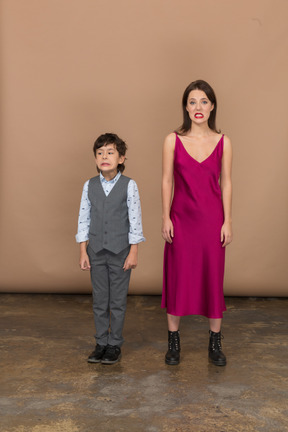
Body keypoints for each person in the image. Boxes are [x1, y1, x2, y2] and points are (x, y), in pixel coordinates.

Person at [161, 80, 232, 366]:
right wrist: (164, 216)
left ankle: (214, 343)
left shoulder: (224, 141)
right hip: (181, 218)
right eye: (192, 101)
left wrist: (228, 220)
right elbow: (167, 180)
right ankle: (173, 342)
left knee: (213, 277)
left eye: (204, 101)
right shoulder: (172, 140)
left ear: (212, 106)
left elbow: (226, 183)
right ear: (185, 107)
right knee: (178, 277)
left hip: (212, 220)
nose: (198, 107)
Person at [76, 133, 145, 365]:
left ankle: (114, 344)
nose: (104, 157)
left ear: (121, 158)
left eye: (110, 152)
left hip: (120, 252)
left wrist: (133, 251)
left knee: (117, 301)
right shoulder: (90, 185)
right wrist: (83, 250)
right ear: (95, 158)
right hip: (95, 251)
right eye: (100, 153)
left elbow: (135, 220)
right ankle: (100, 343)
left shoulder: (129, 185)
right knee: (99, 300)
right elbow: (83, 219)